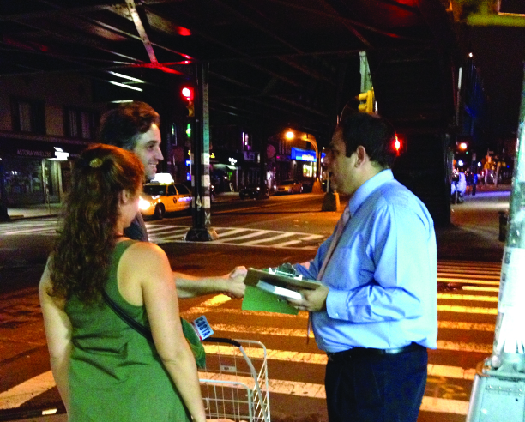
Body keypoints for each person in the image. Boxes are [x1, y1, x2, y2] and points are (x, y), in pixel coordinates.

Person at [39, 144, 207, 422]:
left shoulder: (56, 265)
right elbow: (173, 352)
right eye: (138, 192)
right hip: (149, 406)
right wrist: (200, 418)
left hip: (90, 407)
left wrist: (80, 410)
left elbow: (59, 354)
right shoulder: (146, 258)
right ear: (125, 195)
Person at [288, 112, 437, 422]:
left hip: (379, 377)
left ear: (359, 156)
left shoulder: (393, 210)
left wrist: (330, 301)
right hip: (357, 372)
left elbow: (407, 298)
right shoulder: (363, 207)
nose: (326, 161)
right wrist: (261, 280)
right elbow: (320, 270)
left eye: (333, 151)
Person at [99, 101, 245, 298]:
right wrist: (223, 283)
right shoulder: (115, 208)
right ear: (122, 151)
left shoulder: (105, 201)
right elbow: (152, 281)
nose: (159, 155)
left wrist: (223, 283)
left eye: (159, 146)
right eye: (150, 147)